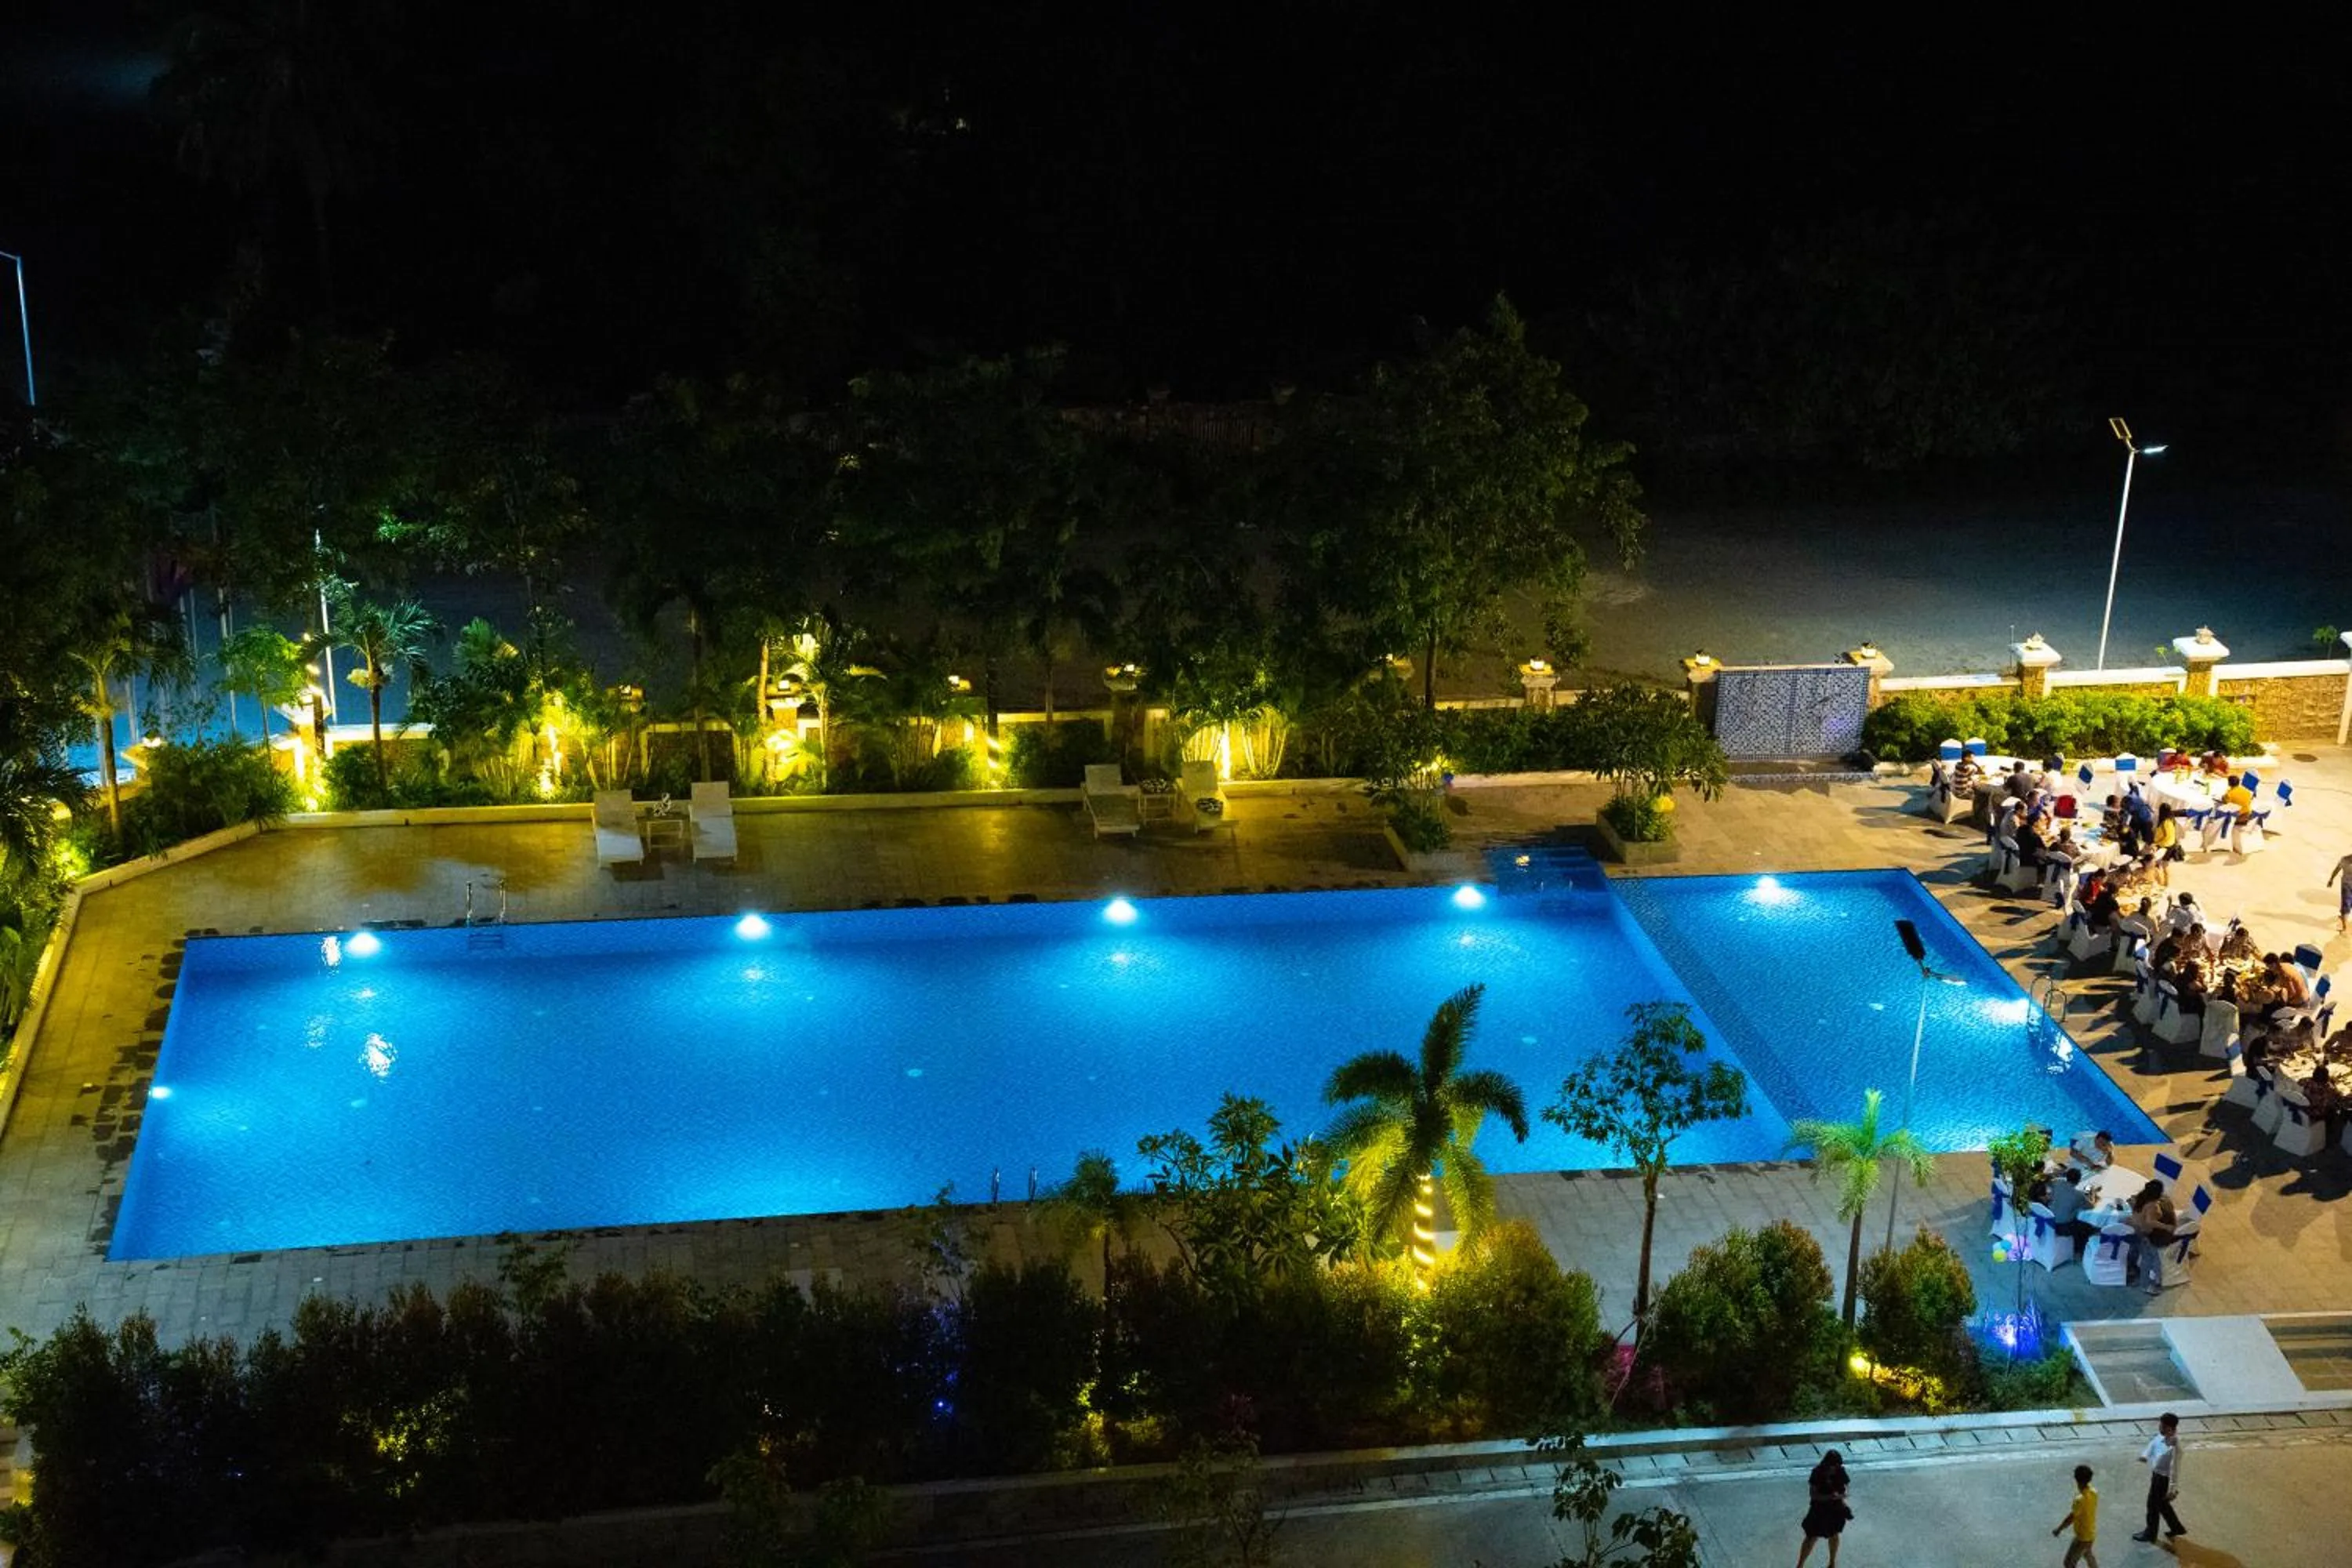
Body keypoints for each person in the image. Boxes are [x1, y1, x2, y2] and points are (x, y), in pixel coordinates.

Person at [2132, 1414, 2186, 1542]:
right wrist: (2145, 1455)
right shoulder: (2162, 1437)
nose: (2159, 1427)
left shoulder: (2175, 1447)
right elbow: (2153, 1444)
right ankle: (2176, 1527)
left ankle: (2150, 1533)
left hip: (2163, 1480)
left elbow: (2174, 1470)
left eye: (2162, 1425)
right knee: (2162, 1505)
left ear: (2169, 1428)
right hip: (2156, 1476)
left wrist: (2172, 1489)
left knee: (2152, 1506)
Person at [1796, 1450, 1851, 1567]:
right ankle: (1800, 1565)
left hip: (1835, 1508)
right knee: (1811, 1538)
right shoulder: (1817, 1472)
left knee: (1834, 1535)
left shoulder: (1840, 1471)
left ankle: (1832, 1562)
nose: (1835, 1468)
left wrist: (1842, 1495)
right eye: (1833, 1466)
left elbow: (1846, 1487)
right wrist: (1829, 1497)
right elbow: (1813, 1494)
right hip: (1819, 1509)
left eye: (1837, 1466)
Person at [2125, 1181, 2178, 1295]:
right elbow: (2150, 1222)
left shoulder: (2141, 1196)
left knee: (2138, 1251)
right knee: (2149, 1259)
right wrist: (2166, 1227)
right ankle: (2147, 1285)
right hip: (2143, 1233)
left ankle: (2131, 1269)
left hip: (2134, 1227)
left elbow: (2133, 1203)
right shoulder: (2152, 1205)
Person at [2052, 1463, 2100, 1568]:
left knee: (2068, 1563)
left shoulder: (2080, 1500)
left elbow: (2071, 1518)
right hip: (2090, 1533)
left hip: (2082, 1537)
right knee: (2087, 1554)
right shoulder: (2094, 1492)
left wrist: (2059, 1529)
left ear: (2076, 1480)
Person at [2045, 1166, 2100, 1248]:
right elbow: (2091, 1206)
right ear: (2078, 1181)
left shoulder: (2057, 1183)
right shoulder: (2078, 1195)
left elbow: (2049, 1180)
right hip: (2063, 1227)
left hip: (2049, 1221)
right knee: (2088, 1226)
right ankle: (2079, 1248)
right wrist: (2094, 1195)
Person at [2150, 806, 2179, 887]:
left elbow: (2166, 836)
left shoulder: (2165, 822)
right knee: (2165, 866)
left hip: (2164, 846)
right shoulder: (2172, 820)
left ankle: (2160, 883)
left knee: (2156, 865)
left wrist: (2156, 843)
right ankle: (2165, 883)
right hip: (2170, 845)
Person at [2328, 849, 2352, 934]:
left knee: (2348, 905)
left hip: (2346, 885)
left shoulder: (2345, 859)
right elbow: (2337, 870)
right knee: (2346, 905)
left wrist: (2331, 880)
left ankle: (2343, 917)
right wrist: (2331, 879)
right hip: (2346, 886)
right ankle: (2345, 928)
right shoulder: (2344, 860)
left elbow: (2336, 870)